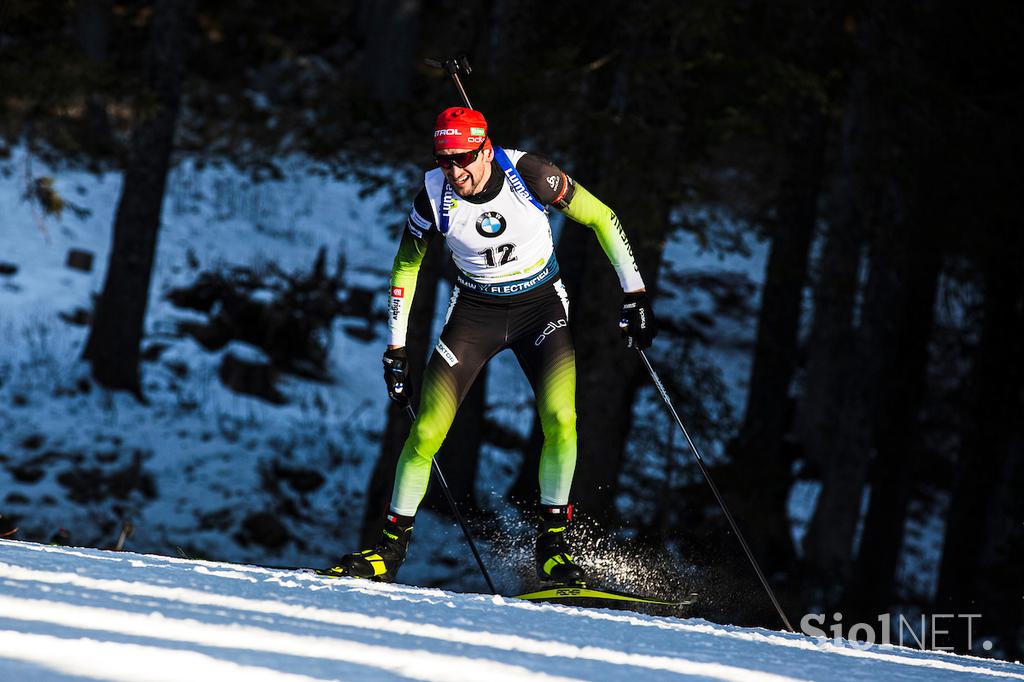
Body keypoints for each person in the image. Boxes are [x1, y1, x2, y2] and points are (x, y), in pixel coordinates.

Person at [326, 107, 656, 584]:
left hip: (540, 308)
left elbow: (602, 218)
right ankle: (389, 552)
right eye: (444, 160)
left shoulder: (531, 175)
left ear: (484, 149)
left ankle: (553, 545)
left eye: (462, 158)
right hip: (475, 316)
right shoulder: (433, 198)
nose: (454, 171)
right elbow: (405, 269)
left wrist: (635, 293)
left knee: (562, 419)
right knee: (425, 433)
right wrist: (395, 348)